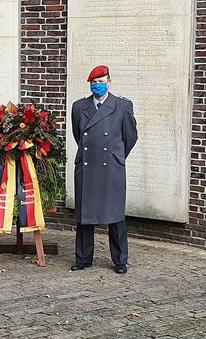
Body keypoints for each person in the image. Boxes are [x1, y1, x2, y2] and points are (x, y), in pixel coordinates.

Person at [70, 65, 138, 274]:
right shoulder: (79, 107)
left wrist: (115, 157)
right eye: (94, 83)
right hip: (87, 166)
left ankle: (120, 261)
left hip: (111, 170)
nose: (97, 86)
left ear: (109, 83)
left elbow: (130, 137)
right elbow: (78, 135)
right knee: (85, 214)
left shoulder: (122, 106)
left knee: (115, 215)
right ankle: (83, 258)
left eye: (101, 82)